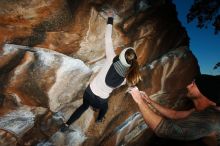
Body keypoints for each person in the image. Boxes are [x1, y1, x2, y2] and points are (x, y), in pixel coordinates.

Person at [60, 10, 142, 132]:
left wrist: (110, 18)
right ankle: (99, 119)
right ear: (131, 64)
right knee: (104, 108)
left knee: (83, 107)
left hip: (89, 92)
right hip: (100, 101)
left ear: (122, 54)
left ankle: (66, 125)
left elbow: (107, 38)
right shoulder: (125, 78)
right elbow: (129, 82)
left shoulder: (111, 58)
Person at [128, 74, 220, 145]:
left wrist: (139, 101)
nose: (188, 86)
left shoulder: (210, 120)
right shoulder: (202, 110)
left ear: (205, 93)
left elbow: (163, 130)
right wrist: (149, 101)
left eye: (193, 84)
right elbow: (174, 114)